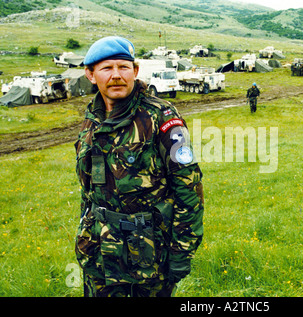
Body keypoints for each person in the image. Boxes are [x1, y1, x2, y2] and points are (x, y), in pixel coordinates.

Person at [74, 36, 204, 297]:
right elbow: (89, 187)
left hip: (147, 256)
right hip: (98, 251)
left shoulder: (161, 116)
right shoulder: (93, 117)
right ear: (90, 74)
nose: (116, 76)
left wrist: (181, 252)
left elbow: (189, 188)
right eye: (106, 68)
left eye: (123, 67)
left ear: (134, 71)